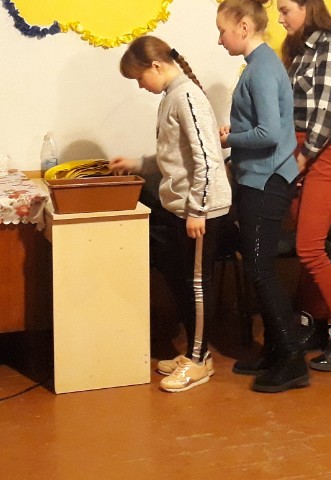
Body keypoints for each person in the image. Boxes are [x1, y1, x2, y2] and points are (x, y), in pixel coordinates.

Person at [110, 36, 233, 393]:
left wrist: (198, 210)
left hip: (201, 210)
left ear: (156, 66)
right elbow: (176, 157)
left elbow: (207, 159)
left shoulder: (187, 97)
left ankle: (200, 362)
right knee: (185, 282)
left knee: (197, 285)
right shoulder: (172, 97)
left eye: (139, 78)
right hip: (185, 207)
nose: (140, 85)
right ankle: (195, 353)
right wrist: (138, 164)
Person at [215, 0, 306, 394]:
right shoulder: (260, 65)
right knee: (259, 267)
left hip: (266, 180)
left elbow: (268, 133)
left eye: (222, 31)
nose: (220, 39)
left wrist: (230, 138)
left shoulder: (263, 69)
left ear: (243, 27)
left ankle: (292, 358)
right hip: (261, 177)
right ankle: (274, 350)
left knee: (259, 268)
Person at [275, 0, 331, 372]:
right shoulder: (300, 51)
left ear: (306, 7)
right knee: (308, 245)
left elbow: (327, 113)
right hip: (303, 150)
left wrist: (304, 157)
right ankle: (314, 322)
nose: (281, 19)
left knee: (309, 248)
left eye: (285, 10)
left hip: (322, 152)